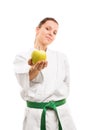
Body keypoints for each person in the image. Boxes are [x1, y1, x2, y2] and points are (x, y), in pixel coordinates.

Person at [14, 17, 76, 130]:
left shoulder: (61, 57)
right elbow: (24, 80)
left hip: (61, 114)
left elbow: (67, 83)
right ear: (37, 29)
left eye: (55, 32)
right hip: (35, 117)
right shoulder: (22, 57)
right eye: (48, 29)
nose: (51, 34)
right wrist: (35, 69)